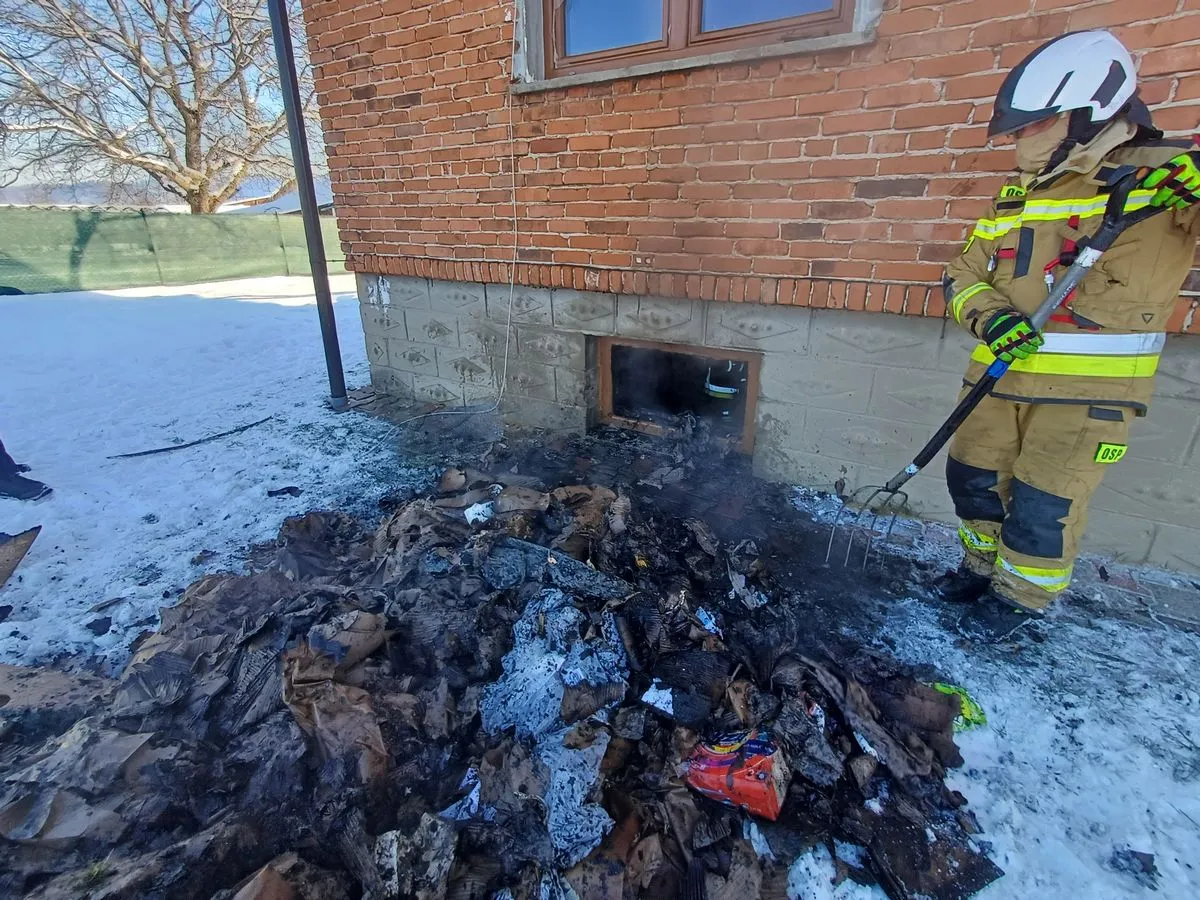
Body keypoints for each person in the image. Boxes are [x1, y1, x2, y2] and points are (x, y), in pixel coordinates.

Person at [936, 30, 1200, 641]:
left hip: (1086, 393)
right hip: (996, 378)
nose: (1019, 140)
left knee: (1043, 506)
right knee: (972, 478)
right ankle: (979, 569)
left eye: (1033, 126)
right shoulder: (1018, 196)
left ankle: (1019, 602)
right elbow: (963, 273)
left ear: (1087, 115)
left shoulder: (1164, 176)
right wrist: (991, 318)